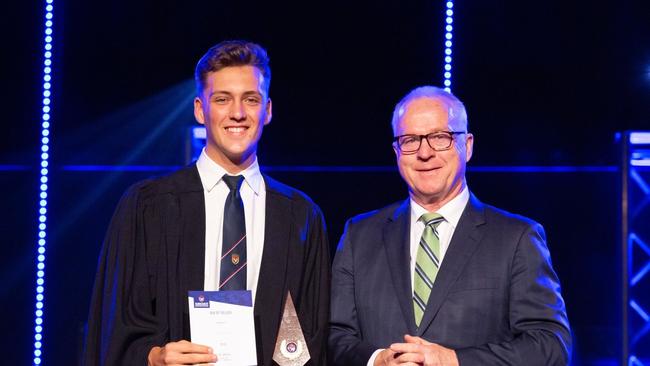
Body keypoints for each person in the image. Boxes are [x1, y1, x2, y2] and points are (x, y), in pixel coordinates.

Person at [83, 40, 330, 366]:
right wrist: (155, 357)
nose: (238, 113)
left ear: (267, 110)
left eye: (251, 100)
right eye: (223, 99)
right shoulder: (148, 207)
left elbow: (312, 337)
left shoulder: (301, 217)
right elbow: (113, 331)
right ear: (200, 109)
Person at [329, 86, 571, 366]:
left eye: (440, 137)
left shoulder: (517, 238)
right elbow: (335, 335)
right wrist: (376, 360)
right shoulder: (359, 236)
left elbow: (550, 345)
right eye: (410, 140)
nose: (424, 152)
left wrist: (454, 361)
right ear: (396, 151)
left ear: (467, 146)